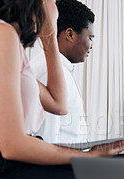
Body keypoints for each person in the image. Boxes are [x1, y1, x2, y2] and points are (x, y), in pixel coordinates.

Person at [0, 0, 124, 179]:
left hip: (8, 166)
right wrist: (88, 156)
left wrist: (49, 38)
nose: (56, 6)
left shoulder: (8, 41)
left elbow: (58, 103)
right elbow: (12, 145)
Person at [30, 0, 94, 143]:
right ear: (70, 34)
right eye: (90, 38)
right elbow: (46, 138)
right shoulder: (49, 72)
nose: (91, 46)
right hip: (58, 163)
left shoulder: (59, 69)